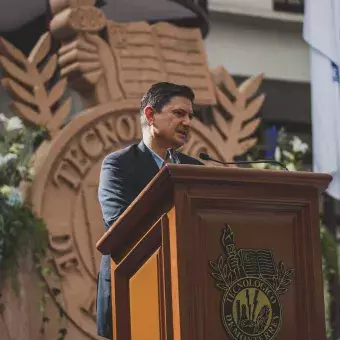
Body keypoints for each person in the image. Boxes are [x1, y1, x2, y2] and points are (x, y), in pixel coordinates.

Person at [96, 82, 203, 338]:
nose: (187, 122)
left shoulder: (195, 168)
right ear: (150, 115)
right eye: (179, 113)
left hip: (187, 293)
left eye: (190, 116)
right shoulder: (118, 165)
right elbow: (118, 223)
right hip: (132, 286)